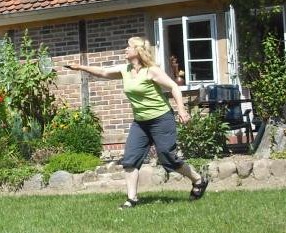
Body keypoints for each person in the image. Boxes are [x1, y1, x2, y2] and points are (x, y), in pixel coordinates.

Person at [66, 36, 208, 208]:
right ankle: (132, 198)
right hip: (140, 123)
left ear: (138, 51)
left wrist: (182, 109)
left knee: (168, 157)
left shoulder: (151, 70)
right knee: (130, 159)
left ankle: (198, 179)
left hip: (161, 119)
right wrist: (80, 66)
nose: (125, 49)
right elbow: (103, 72)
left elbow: (173, 86)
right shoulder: (125, 69)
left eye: (128, 47)